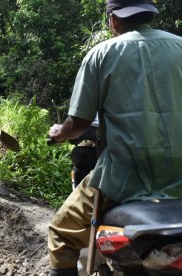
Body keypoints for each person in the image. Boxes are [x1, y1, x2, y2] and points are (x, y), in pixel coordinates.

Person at [47, 1, 182, 275]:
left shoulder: (102, 53)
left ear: (113, 20)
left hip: (122, 176)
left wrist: (59, 133)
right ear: (151, 15)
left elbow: (78, 123)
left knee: (60, 233)